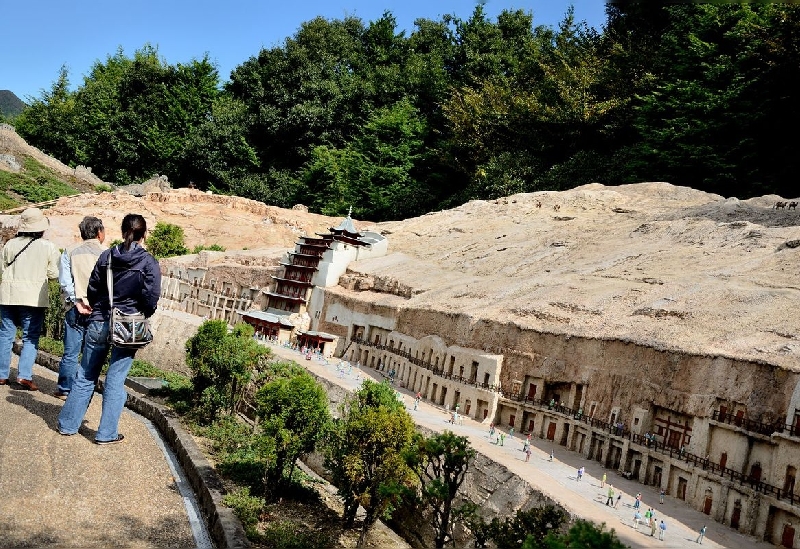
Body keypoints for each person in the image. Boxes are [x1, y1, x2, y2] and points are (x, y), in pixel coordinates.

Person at [58, 214, 161, 444]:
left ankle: (67, 425)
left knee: (85, 374)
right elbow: (151, 296)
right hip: (128, 325)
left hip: (99, 320)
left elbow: (93, 288)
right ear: (144, 234)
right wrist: (141, 312)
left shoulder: (107, 256)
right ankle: (106, 434)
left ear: (122, 230)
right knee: (115, 379)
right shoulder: (148, 262)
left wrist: (99, 307)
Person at [0, 208, 60, 390]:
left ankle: (2, 375)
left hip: (8, 295)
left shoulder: (10, 244)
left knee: (5, 334)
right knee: (30, 336)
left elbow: (2, 268)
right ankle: (24, 376)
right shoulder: (48, 246)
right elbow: (54, 273)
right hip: (33, 298)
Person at [54, 216, 105, 400]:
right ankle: (83, 390)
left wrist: (76, 301)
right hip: (98, 310)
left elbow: (65, 281)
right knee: (91, 353)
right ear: (100, 233)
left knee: (70, 351)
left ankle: (65, 389)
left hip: (75, 307)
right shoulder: (107, 253)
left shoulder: (70, 251)